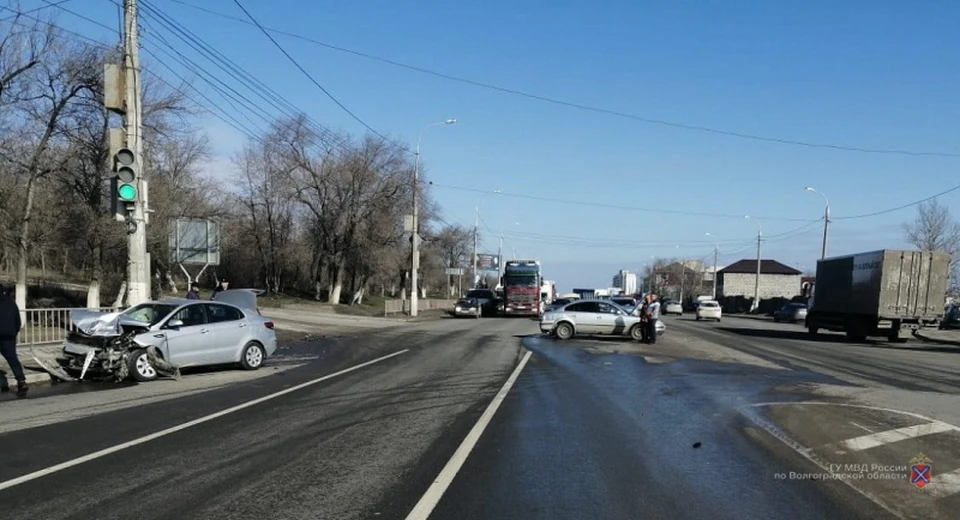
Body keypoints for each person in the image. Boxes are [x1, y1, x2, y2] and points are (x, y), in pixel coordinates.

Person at [0, 285, 28, 397]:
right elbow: (18, 321)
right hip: (9, 335)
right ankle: (21, 381)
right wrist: (13, 332)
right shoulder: (11, 303)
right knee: (13, 359)